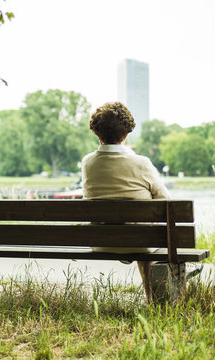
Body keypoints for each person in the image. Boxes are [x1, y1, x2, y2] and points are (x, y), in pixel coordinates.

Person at [81, 102, 170, 303]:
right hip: (139, 242)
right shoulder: (141, 163)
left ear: (97, 133)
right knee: (142, 235)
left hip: (101, 241)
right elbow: (165, 201)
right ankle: (152, 300)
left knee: (138, 233)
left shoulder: (88, 163)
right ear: (126, 134)